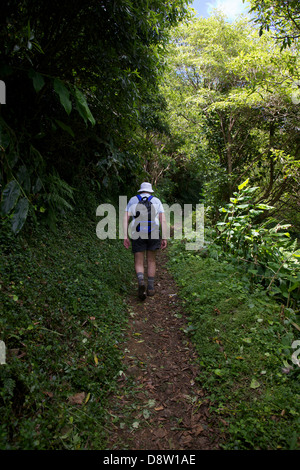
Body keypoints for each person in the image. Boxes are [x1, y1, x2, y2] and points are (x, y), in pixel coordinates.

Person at [123, 182, 167, 300]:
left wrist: (125, 236)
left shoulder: (133, 200)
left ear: (140, 190)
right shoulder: (157, 201)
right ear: (150, 191)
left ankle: (141, 281)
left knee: (139, 261)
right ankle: (151, 287)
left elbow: (125, 218)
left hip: (137, 232)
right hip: (153, 232)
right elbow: (163, 220)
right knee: (151, 260)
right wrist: (164, 237)